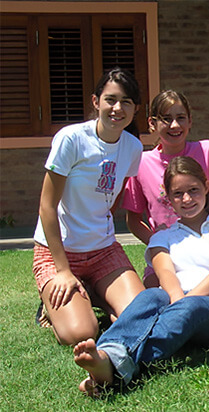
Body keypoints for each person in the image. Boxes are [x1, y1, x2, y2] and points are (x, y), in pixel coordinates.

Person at [73, 156, 209, 396]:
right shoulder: (162, 237)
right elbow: (166, 275)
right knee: (152, 295)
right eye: (178, 194)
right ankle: (106, 354)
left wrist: (182, 305)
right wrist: (177, 304)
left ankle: (112, 367)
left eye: (193, 190)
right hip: (176, 304)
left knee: (191, 307)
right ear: (167, 197)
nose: (186, 199)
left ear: (207, 187)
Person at [32, 67, 145, 346]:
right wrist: (63, 271)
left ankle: (95, 293)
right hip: (58, 252)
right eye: (111, 99)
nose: (117, 108)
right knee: (81, 332)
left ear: (135, 109)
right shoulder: (71, 139)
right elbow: (47, 208)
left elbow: (116, 194)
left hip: (103, 251)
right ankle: (54, 301)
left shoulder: (133, 147)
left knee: (141, 315)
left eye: (126, 102)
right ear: (96, 102)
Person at [122, 90, 209, 288]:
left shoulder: (208, 151)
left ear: (190, 121)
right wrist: (161, 243)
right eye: (166, 119)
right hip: (168, 251)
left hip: (208, 250)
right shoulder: (141, 163)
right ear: (152, 123)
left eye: (181, 118)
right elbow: (133, 220)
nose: (174, 125)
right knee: (153, 291)